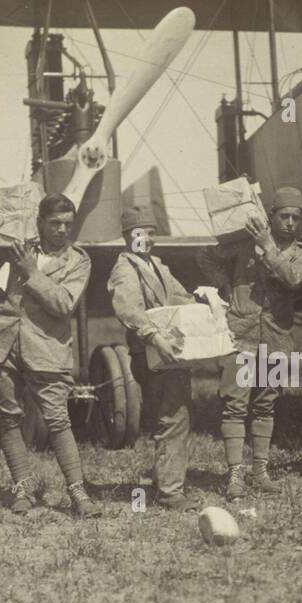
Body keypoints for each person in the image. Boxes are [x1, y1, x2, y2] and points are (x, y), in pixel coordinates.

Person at [0, 193, 102, 518]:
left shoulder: (79, 261)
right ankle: (22, 488)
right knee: (8, 415)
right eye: (54, 223)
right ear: (39, 222)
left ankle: (78, 493)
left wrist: (31, 272)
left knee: (58, 419)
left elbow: (64, 304)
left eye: (68, 224)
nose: (62, 230)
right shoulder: (19, 245)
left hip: (47, 349)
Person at [199, 186, 302, 499]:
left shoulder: (300, 253)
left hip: (276, 338)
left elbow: (294, 278)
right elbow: (206, 255)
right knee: (235, 406)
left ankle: (260, 472)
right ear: (271, 216)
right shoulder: (244, 243)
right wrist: (225, 284)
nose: (289, 222)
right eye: (283, 216)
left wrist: (268, 247)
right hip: (241, 336)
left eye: (295, 217)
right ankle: (235, 475)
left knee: (265, 405)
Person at [108, 205, 200, 511]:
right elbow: (128, 309)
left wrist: (201, 302)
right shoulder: (125, 269)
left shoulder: (156, 265)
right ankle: (170, 491)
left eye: (150, 233)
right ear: (126, 236)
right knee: (173, 417)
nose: (146, 239)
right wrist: (154, 336)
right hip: (150, 353)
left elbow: (178, 295)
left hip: (167, 353)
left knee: (173, 415)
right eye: (139, 233)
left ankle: (166, 481)